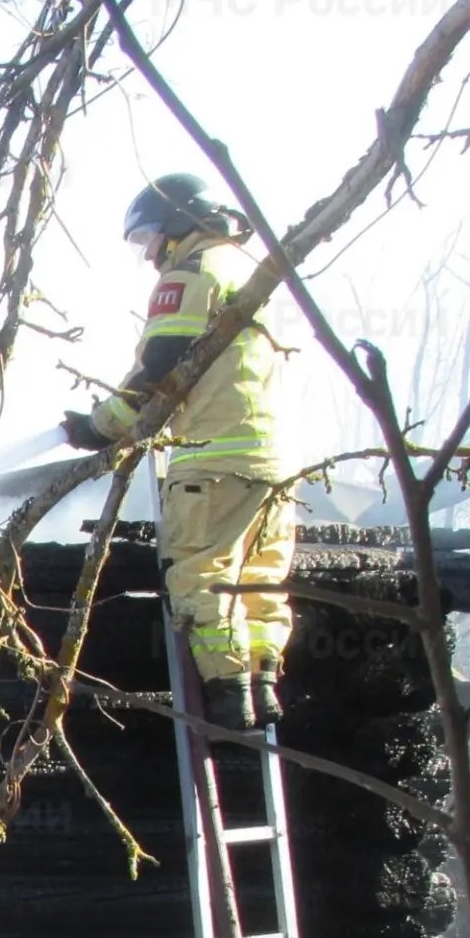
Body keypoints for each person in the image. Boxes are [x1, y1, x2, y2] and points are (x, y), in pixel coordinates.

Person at [63, 172, 292, 733]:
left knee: (199, 576)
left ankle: (228, 698)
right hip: (274, 462)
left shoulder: (192, 274)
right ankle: (263, 686)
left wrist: (101, 426)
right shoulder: (252, 273)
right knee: (259, 582)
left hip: (210, 458)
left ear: (175, 224)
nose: (149, 256)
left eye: (148, 240)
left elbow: (161, 366)